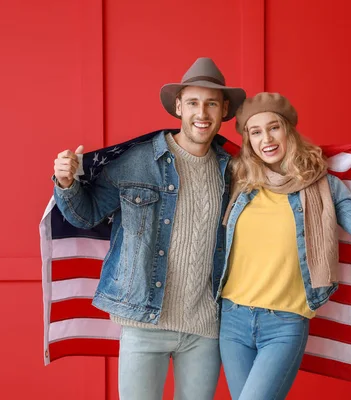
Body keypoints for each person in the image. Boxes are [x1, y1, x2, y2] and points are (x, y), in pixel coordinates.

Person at [52, 57, 246, 400]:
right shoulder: (139, 160)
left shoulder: (234, 170)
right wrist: (66, 181)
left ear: (224, 110)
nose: (202, 113)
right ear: (178, 107)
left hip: (205, 329)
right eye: (193, 104)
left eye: (211, 104)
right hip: (145, 323)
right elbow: (87, 214)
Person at [216, 92, 351, 399]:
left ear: (288, 130)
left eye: (273, 127)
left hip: (284, 324)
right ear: (248, 140)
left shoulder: (322, 185)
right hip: (232, 319)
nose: (266, 139)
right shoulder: (240, 182)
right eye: (255, 132)